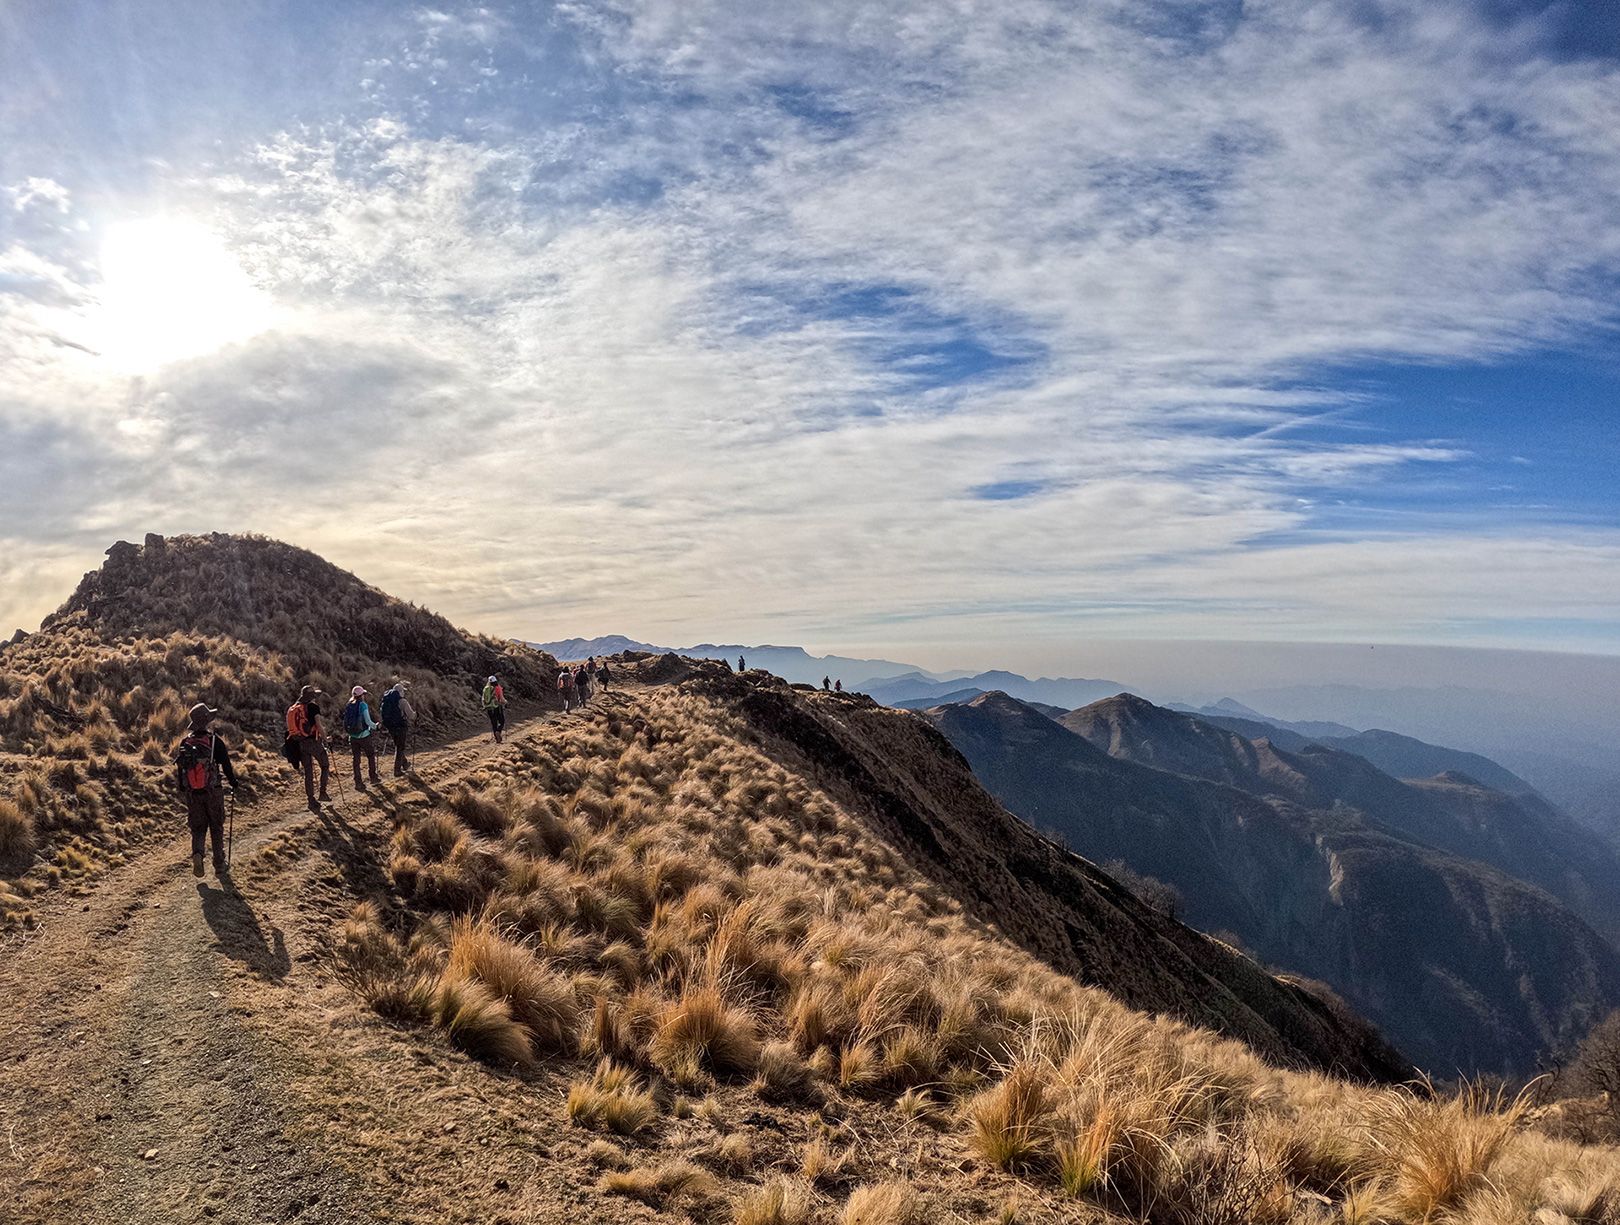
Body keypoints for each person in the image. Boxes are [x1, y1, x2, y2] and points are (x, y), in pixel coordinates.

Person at [174, 702, 239, 878]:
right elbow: (226, 765)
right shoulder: (214, 741)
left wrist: (183, 787)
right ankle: (219, 865)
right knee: (216, 827)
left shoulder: (185, 742)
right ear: (206, 721)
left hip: (193, 794)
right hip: (213, 791)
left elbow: (181, 769)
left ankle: (198, 853)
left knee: (198, 828)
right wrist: (233, 782)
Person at [287, 685, 331, 811]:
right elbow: (319, 725)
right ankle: (322, 793)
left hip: (299, 742)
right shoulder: (313, 707)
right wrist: (325, 739)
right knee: (325, 765)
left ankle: (311, 800)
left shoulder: (295, 707)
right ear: (311, 696)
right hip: (312, 742)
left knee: (308, 772)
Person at [344, 685, 385, 791]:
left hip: (352, 737)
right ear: (361, 695)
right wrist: (376, 726)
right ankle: (373, 778)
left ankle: (358, 782)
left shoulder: (349, 705)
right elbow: (368, 721)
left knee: (356, 760)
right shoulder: (363, 705)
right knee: (371, 755)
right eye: (363, 694)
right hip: (364, 735)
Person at [379, 678, 414, 777]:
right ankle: (397, 770)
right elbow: (411, 715)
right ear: (400, 691)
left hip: (390, 726)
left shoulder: (386, 700)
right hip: (400, 726)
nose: (404, 693)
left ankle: (405, 764)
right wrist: (416, 715)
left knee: (398, 745)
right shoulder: (402, 701)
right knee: (400, 747)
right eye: (403, 691)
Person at [482, 675, 507, 742]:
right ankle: (498, 731)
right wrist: (505, 702)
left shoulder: (485, 688)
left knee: (494, 723)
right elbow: (501, 699)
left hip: (489, 708)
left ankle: (497, 738)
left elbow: (483, 699)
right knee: (501, 721)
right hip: (497, 707)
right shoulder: (498, 688)